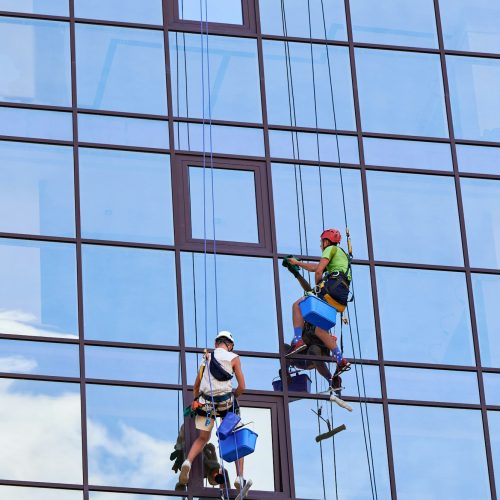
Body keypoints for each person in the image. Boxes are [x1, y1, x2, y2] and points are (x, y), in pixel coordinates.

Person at [179, 331, 249, 493]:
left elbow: (196, 386)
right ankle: (239, 477)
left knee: (203, 438)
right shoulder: (234, 358)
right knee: (237, 437)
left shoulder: (206, 359)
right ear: (229, 345)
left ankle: (188, 462)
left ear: (216, 344)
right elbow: (242, 387)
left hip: (206, 405)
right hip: (225, 404)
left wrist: (196, 400)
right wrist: (234, 397)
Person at [288, 228, 351, 375]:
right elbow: (315, 267)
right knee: (320, 330)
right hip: (340, 298)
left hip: (331, 289)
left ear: (326, 241)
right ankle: (340, 359)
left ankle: (298, 340)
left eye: (322, 242)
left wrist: (319, 287)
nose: (321, 246)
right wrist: (298, 263)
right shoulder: (341, 256)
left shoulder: (331, 249)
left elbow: (318, 271)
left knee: (297, 305)